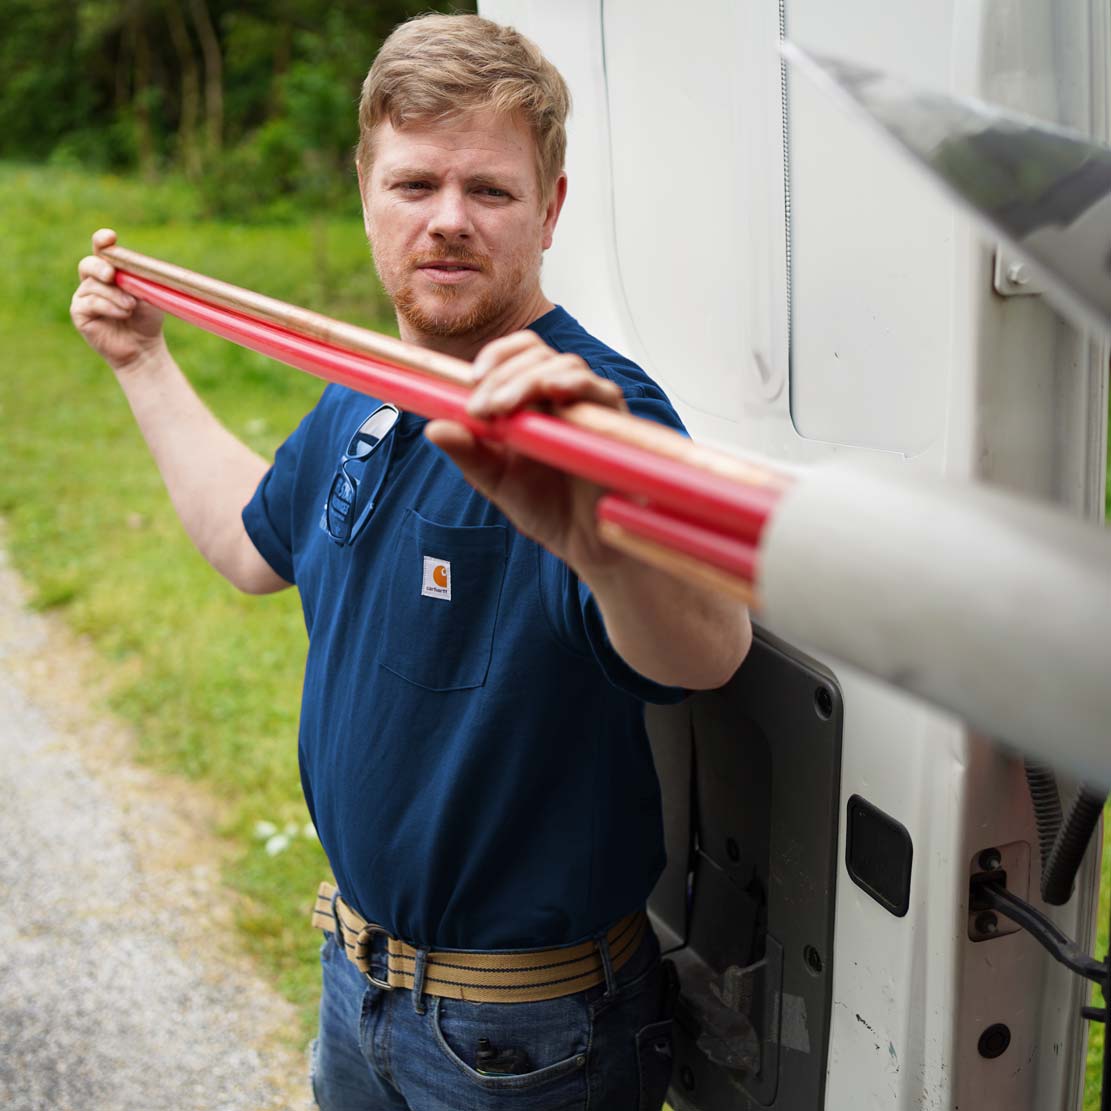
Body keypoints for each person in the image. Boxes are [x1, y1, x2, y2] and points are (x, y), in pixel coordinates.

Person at [71, 13, 751, 1109]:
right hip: (360, 986)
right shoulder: (373, 376)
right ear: (364, 190)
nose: (448, 221)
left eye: (489, 190)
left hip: (526, 1042)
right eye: (415, 184)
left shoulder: (592, 410)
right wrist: (143, 363)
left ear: (550, 210)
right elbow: (253, 544)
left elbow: (706, 648)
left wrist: (600, 546)